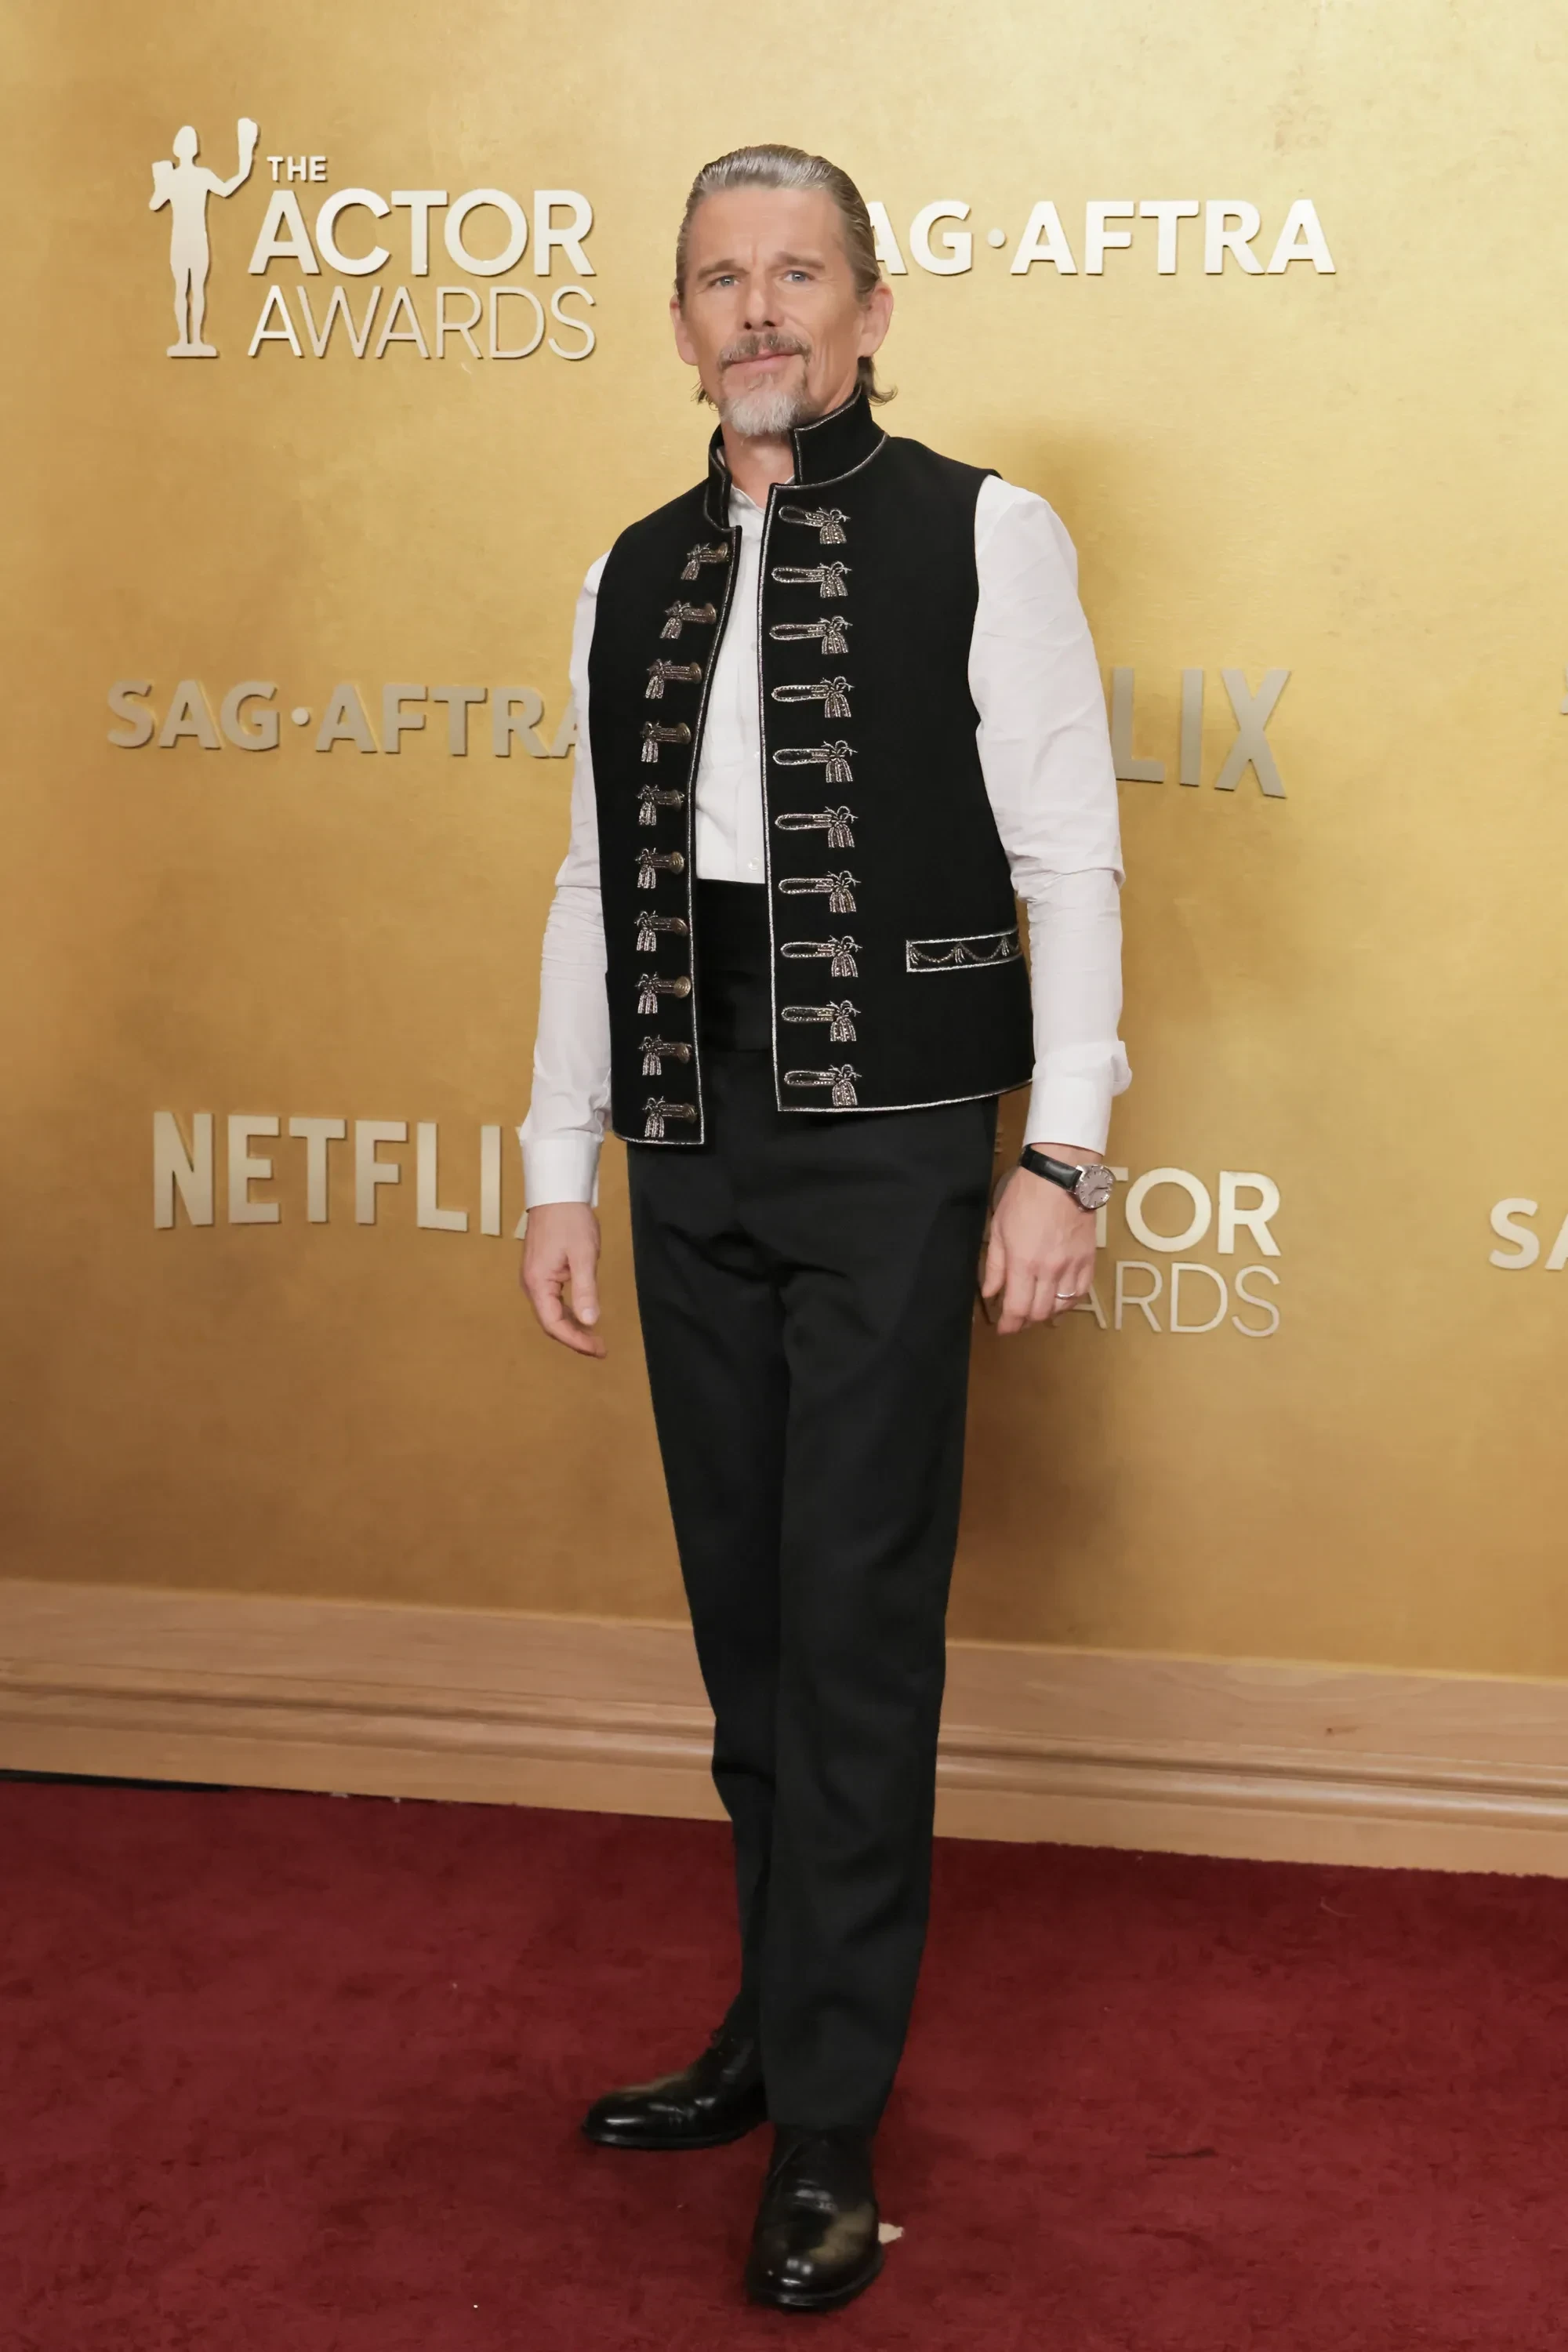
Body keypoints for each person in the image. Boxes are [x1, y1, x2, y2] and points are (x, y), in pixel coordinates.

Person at [519, 143, 1127, 2315]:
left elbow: (1069, 858)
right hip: (690, 1131)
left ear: (872, 310)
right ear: (681, 322)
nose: (758, 309)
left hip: (891, 1143)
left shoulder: (986, 531)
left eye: (798, 274)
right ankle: (776, 2032)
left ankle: (836, 2129)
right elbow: (594, 879)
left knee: (856, 1629)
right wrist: (557, 1155)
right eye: (720, 277)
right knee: (748, 1625)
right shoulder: (630, 569)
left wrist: (1062, 1156)